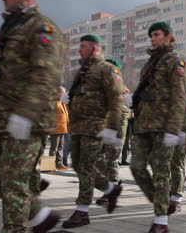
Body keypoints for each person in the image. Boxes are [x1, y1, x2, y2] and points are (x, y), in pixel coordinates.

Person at [0, 0, 64, 232]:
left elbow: (46, 75)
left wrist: (25, 114)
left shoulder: (43, 27)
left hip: (25, 120)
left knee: (13, 184)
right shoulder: (9, 29)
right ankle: (39, 214)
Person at [129, 22, 186, 233]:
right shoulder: (150, 63)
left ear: (168, 36)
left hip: (163, 125)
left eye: (156, 34)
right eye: (150, 35)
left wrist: (174, 128)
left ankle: (161, 221)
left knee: (161, 172)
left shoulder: (174, 61)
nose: (152, 38)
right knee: (136, 167)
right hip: (144, 124)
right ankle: (160, 201)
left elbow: (180, 96)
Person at [61, 35, 124, 228]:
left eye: (83, 46)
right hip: (79, 127)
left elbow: (115, 100)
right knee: (78, 166)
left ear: (95, 48)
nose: (79, 50)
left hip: (95, 128)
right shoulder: (83, 71)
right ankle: (111, 189)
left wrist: (112, 128)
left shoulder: (107, 69)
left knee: (86, 167)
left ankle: (82, 211)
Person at [95, 59, 131, 205]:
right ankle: (113, 182)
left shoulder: (121, 90)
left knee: (111, 160)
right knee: (97, 159)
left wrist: (116, 133)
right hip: (103, 131)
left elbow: (123, 113)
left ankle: (110, 191)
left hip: (115, 132)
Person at [168, 73, 186, 215]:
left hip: (182, 133)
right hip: (166, 132)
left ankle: (176, 197)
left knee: (177, 164)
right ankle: (172, 190)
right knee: (166, 164)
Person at [49, 86, 69, 170]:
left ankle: (59, 164)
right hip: (55, 129)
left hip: (63, 129)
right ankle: (48, 166)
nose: (64, 94)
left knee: (60, 147)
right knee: (54, 148)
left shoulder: (62, 103)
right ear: (58, 93)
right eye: (62, 93)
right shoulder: (54, 102)